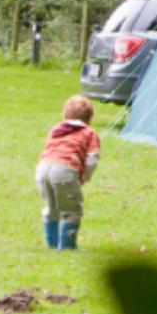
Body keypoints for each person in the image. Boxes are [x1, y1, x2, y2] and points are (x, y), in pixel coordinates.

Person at [36, 95, 101, 249]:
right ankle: (67, 246)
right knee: (72, 210)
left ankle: (51, 243)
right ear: (90, 118)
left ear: (65, 115)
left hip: (43, 168)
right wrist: (85, 175)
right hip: (64, 170)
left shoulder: (56, 129)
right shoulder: (89, 133)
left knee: (51, 207)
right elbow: (93, 157)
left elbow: (49, 147)